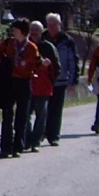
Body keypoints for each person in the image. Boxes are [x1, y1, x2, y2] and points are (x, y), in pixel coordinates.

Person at [0, 20, 42, 158]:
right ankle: (6, 147)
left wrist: (30, 69)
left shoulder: (32, 47)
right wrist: (2, 63)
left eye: (15, 30)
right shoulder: (9, 43)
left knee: (22, 115)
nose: (13, 32)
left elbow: (37, 63)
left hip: (24, 82)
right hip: (10, 81)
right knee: (7, 114)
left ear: (23, 31)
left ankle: (18, 147)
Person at [42, 13, 80, 145]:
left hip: (61, 80)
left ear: (60, 25)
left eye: (54, 25)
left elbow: (73, 61)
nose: (51, 27)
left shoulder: (67, 41)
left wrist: (73, 81)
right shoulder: (42, 39)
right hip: (44, 80)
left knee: (56, 109)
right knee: (42, 109)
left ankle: (54, 136)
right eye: (49, 25)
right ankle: (41, 133)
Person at [25, 25, 58, 154]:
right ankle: (27, 139)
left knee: (41, 116)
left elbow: (56, 67)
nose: (34, 33)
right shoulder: (24, 46)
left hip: (43, 88)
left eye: (36, 30)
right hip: (27, 86)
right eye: (32, 30)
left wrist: (50, 82)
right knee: (25, 115)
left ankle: (36, 141)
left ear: (41, 32)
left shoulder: (48, 47)